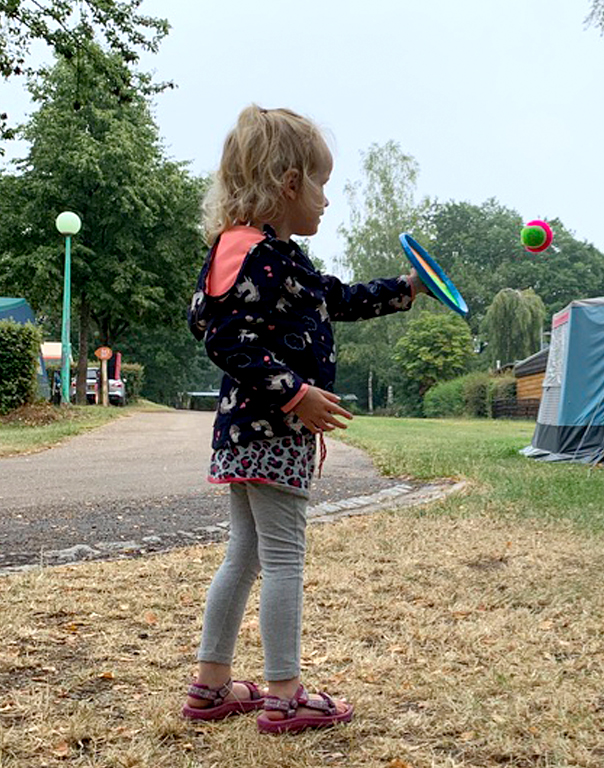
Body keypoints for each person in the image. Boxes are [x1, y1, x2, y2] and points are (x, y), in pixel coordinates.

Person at [181, 105, 425, 732]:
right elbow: (225, 339)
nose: (325, 199)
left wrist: (404, 288)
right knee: (284, 555)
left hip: (243, 434)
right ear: (288, 184)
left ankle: (211, 687)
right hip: (271, 431)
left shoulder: (251, 253)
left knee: (246, 552)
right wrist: (294, 394)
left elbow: (332, 298)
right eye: (320, 183)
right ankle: (284, 695)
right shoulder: (261, 254)